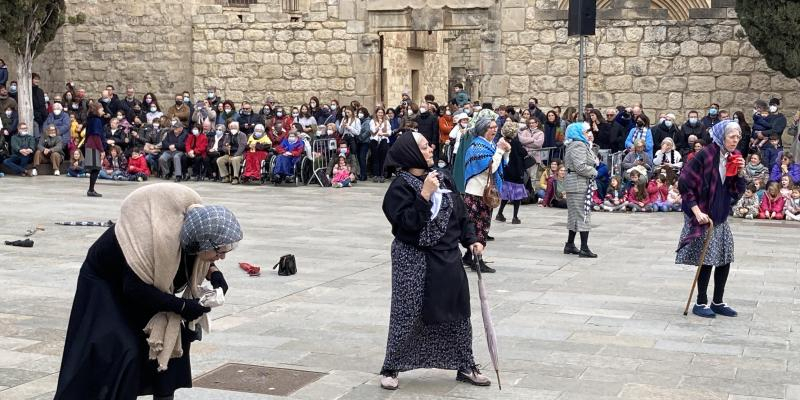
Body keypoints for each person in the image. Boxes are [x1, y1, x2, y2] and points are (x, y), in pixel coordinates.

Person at [55, 184, 242, 400]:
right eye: (220, 251)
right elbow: (135, 289)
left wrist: (214, 274)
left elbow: (196, 259)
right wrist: (182, 306)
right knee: (124, 350)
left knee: (171, 342)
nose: (223, 256)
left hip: (139, 285)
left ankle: (164, 396)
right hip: (106, 283)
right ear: (202, 243)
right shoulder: (153, 243)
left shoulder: (192, 234)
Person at [378, 131, 490, 391]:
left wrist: (472, 238)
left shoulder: (443, 177)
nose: (430, 149)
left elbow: (460, 214)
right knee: (408, 313)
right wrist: (424, 195)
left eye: (429, 145)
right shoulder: (400, 187)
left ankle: (465, 364)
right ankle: (392, 367)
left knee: (458, 310)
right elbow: (406, 225)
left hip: (447, 256)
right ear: (411, 153)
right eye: (424, 146)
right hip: (414, 259)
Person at [676, 120, 746, 318]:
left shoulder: (733, 157)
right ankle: (700, 302)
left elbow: (735, 190)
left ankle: (718, 301)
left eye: (738, 137)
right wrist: (696, 211)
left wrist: (740, 173)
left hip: (720, 212)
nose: (736, 140)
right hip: (704, 212)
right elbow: (685, 183)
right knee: (706, 258)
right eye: (732, 136)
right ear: (721, 136)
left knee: (725, 258)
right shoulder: (706, 154)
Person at [462, 118, 509, 273]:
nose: (494, 130)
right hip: (476, 193)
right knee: (479, 228)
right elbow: (489, 168)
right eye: (491, 127)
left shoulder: (489, 145)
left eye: (496, 127)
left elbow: (502, 163)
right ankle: (477, 260)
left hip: (484, 193)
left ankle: (469, 256)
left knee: (479, 226)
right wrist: (501, 150)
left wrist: (504, 152)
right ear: (483, 129)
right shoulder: (477, 146)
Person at [562, 122, 599, 258]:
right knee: (583, 214)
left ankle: (570, 244)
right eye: (584, 131)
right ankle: (584, 247)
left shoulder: (578, 144)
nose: (587, 133)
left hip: (576, 183)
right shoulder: (578, 145)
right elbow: (580, 166)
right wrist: (594, 171)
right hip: (578, 183)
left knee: (575, 214)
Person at [495, 122, 527, 225]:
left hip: (506, 171)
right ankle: (515, 217)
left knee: (505, 194)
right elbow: (523, 153)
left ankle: (500, 213)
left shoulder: (501, 141)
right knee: (517, 195)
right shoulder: (516, 142)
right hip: (516, 171)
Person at [84, 103, 107, 197]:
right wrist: (102, 150)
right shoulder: (96, 120)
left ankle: (91, 189)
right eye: (101, 109)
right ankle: (91, 189)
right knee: (95, 168)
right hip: (93, 146)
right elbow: (96, 136)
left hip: (91, 145)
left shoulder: (91, 119)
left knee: (95, 168)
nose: (103, 111)